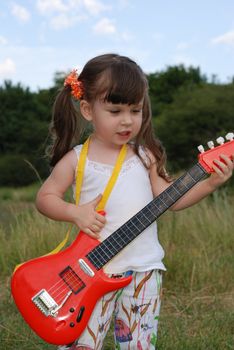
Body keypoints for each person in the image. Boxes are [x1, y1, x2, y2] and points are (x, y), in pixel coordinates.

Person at [36, 53, 233, 350]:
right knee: (81, 345)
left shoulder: (145, 156)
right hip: (91, 274)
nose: (127, 120)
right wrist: (74, 212)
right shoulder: (77, 159)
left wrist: (210, 183)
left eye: (135, 110)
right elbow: (44, 198)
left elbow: (172, 200)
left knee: (139, 345)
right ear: (88, 110)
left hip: (144, 270)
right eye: (115, 111)